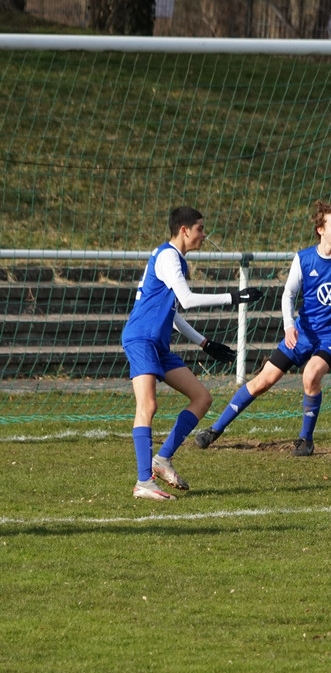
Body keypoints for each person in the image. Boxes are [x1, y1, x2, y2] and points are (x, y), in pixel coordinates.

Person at [194, 200, 331, 457]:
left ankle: (305, 440)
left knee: (310, 375)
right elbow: (288, 295)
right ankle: (215, 429)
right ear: (320, 229)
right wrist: (289, 328)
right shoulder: (304, 259)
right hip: (302, 333)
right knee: (263, 381)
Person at [122, 206, 263, 500]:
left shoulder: (175, 259)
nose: (204, 234)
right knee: (148, 405)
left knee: (201, 398)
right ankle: (143, 482)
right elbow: (186, 300)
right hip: (141, 339)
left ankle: (162, 459)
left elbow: (172, 312)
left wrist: (204, 343)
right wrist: (233, 297)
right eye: (200, 228)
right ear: (184, 230)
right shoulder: (168, 256)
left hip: (158, 344)